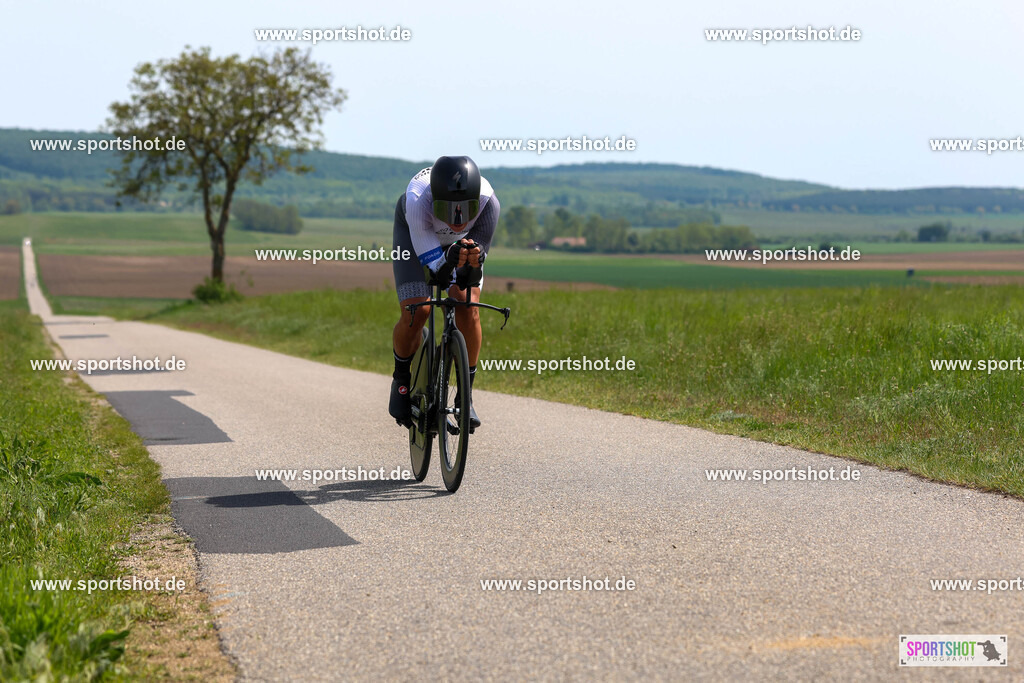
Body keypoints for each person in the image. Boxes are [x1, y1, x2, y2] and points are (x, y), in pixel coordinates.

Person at [389, 155, 499, 429]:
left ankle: (466, 396)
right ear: (434, 201)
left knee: (467, 307)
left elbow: (475, 263)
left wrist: (471, 260)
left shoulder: (488, 202)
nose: (458, 218)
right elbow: (435, 267)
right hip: (416, 240)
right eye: (447, 209)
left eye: (465, 208)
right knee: (418, 310)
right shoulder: (416, 199)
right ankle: (401, 381)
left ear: (477, 200)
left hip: (459, 247)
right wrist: (447, 262)